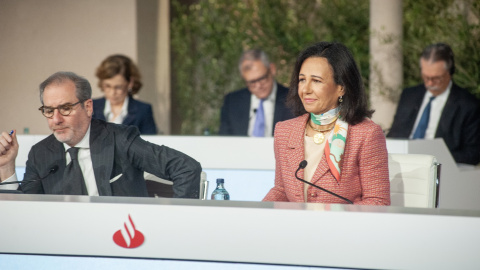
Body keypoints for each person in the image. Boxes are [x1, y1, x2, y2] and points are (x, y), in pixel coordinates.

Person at [0, 72, 201, 198]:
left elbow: (186, 168)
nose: (56, 119)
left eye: (66, 108)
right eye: (49, 110)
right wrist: (7, 166)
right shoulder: (41, 153)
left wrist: (175, 221)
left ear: (88, 107)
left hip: (121, 242)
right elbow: (24, 209)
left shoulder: (119, 140)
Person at [263, 42, 390, 205]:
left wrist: (332, 222)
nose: (306, 89)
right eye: (302, 80)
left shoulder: (366, 134)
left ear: (341, 88)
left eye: (316, 81)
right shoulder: (284, 131)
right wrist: (257, 212)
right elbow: (281, 191)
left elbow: (377, 201)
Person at [388, 43, 480, 165]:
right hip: (404, 164)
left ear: (450, 72)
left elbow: (472, 153)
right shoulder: (409, 95)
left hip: (442, 170)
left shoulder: (468, 105)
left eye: (437, 78)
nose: (430, 83)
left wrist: (437, 156)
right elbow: (395, 134)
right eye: (426, 77)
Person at [218, 49, 294, 136]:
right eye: (252, 82)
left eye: (262, 78)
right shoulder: (232, 102)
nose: (258, 86)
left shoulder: (293, 99)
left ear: (272, 69)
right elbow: (224, 141)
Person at [93, 54, 158, 135]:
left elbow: (151, 144)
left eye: (118, 87)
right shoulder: (90, 108)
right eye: (107, 86)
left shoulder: (143, 110)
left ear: (130, 83)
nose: (112, 93)